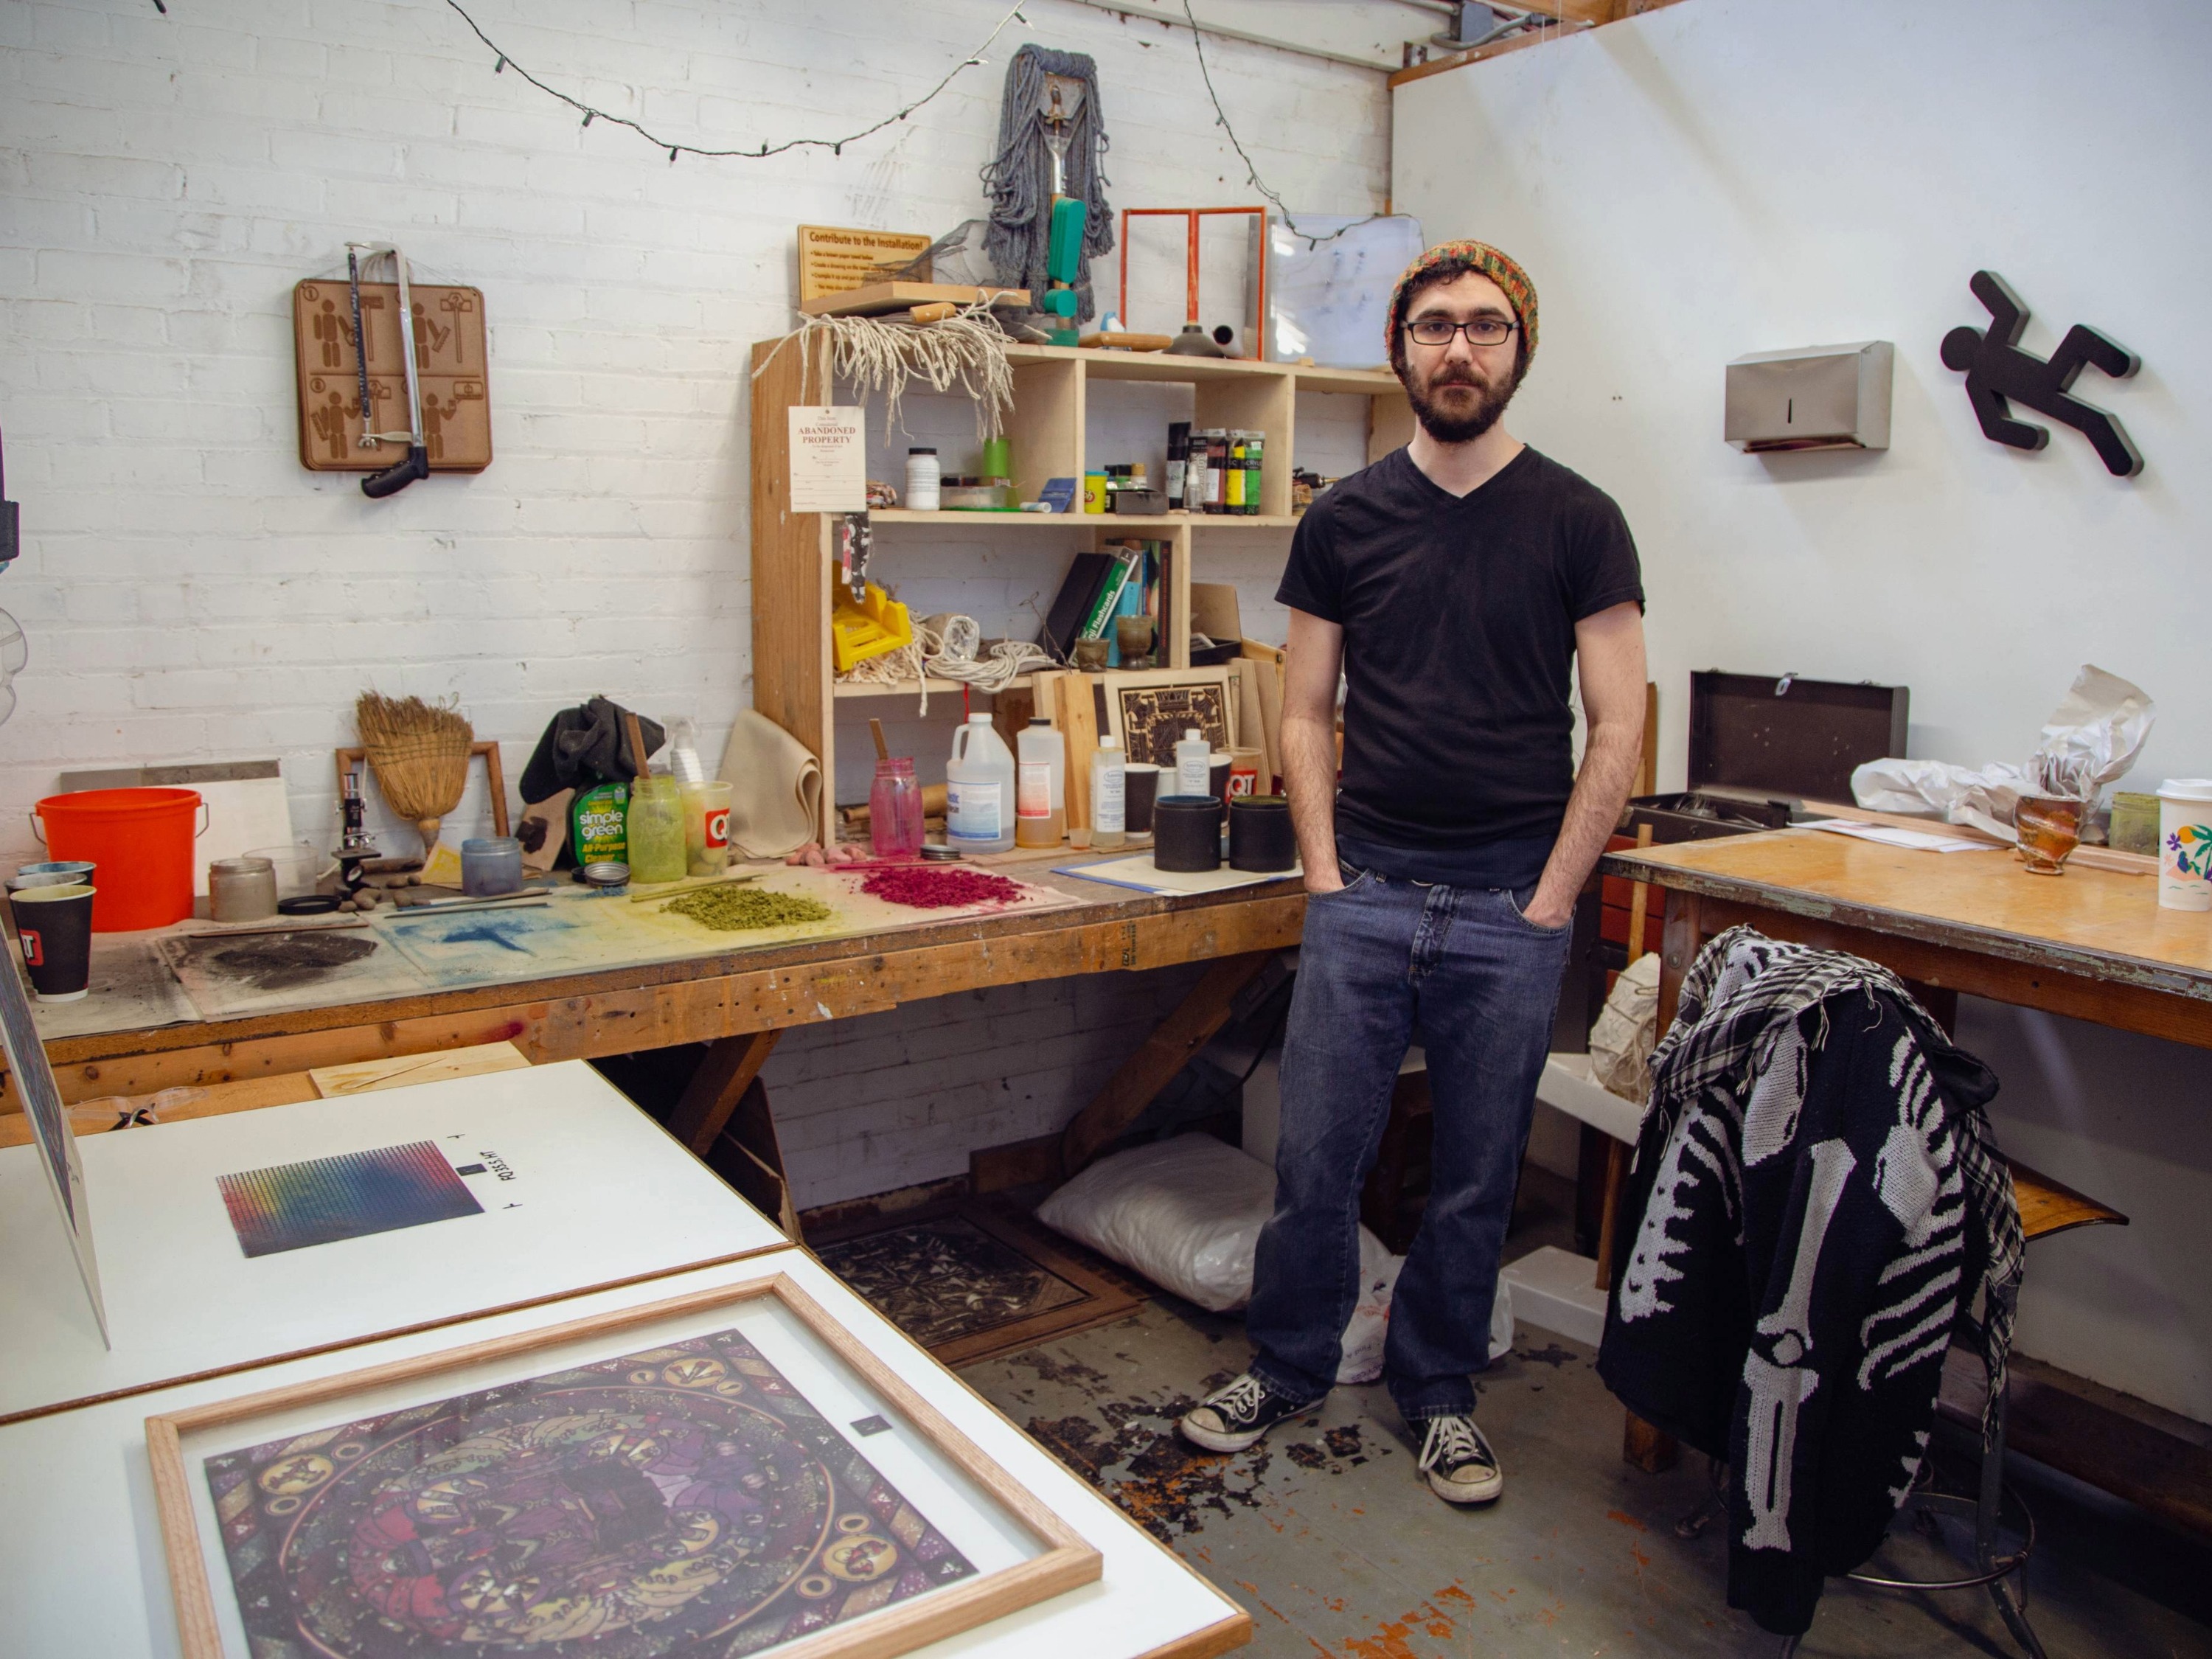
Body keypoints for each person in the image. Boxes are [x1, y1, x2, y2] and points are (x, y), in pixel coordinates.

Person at [1178, 241, 1648, 1506]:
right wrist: (1326, 875)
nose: (1458, 349)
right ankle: (1286, 1362)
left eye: (1486, 327)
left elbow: (1618, 723)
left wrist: (1554, 899)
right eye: (1435, 326)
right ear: (1402, 348)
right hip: (1368, 892)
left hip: (1512, 904)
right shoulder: (1345, 519)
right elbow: (1305, 709)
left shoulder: (1579, 519)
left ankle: (1438, 1391)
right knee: (1318, 1158)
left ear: (1518, 349)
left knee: (1477, 1175)